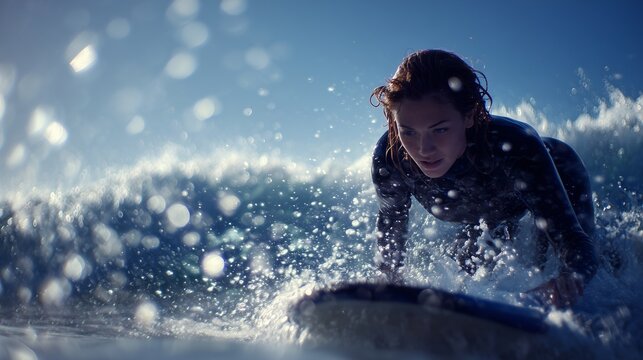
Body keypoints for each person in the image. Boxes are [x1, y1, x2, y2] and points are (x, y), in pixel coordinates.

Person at [370, 49, 598, 307]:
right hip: (488, 210)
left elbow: (574, 240)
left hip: (558, 172)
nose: (424, 149)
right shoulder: (391, 160)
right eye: (408, 132)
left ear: (469, 115)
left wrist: (569, 279)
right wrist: (389, 287)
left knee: (556, 266)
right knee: (468, 270)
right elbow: (390, 238)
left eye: (440, 129)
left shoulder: (513, 147)